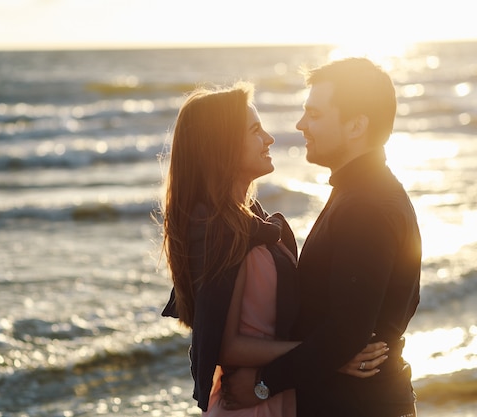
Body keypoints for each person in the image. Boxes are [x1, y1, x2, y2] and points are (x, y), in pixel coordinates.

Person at [159, 81, 389, 416]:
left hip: (269, 392)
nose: (269, 139)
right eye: (255, 130)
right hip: (249, 403)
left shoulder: (250, 221)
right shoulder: (223, 231)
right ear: (221, 146)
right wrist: (328, 356)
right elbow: (227, 344)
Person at [220, 58, 422, 417]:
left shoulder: (367, 205)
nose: (301, 125)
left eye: (314, 115)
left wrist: (263, 384)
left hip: (360, 406)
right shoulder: (361, 190)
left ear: (356, 125)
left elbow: (346, 332)